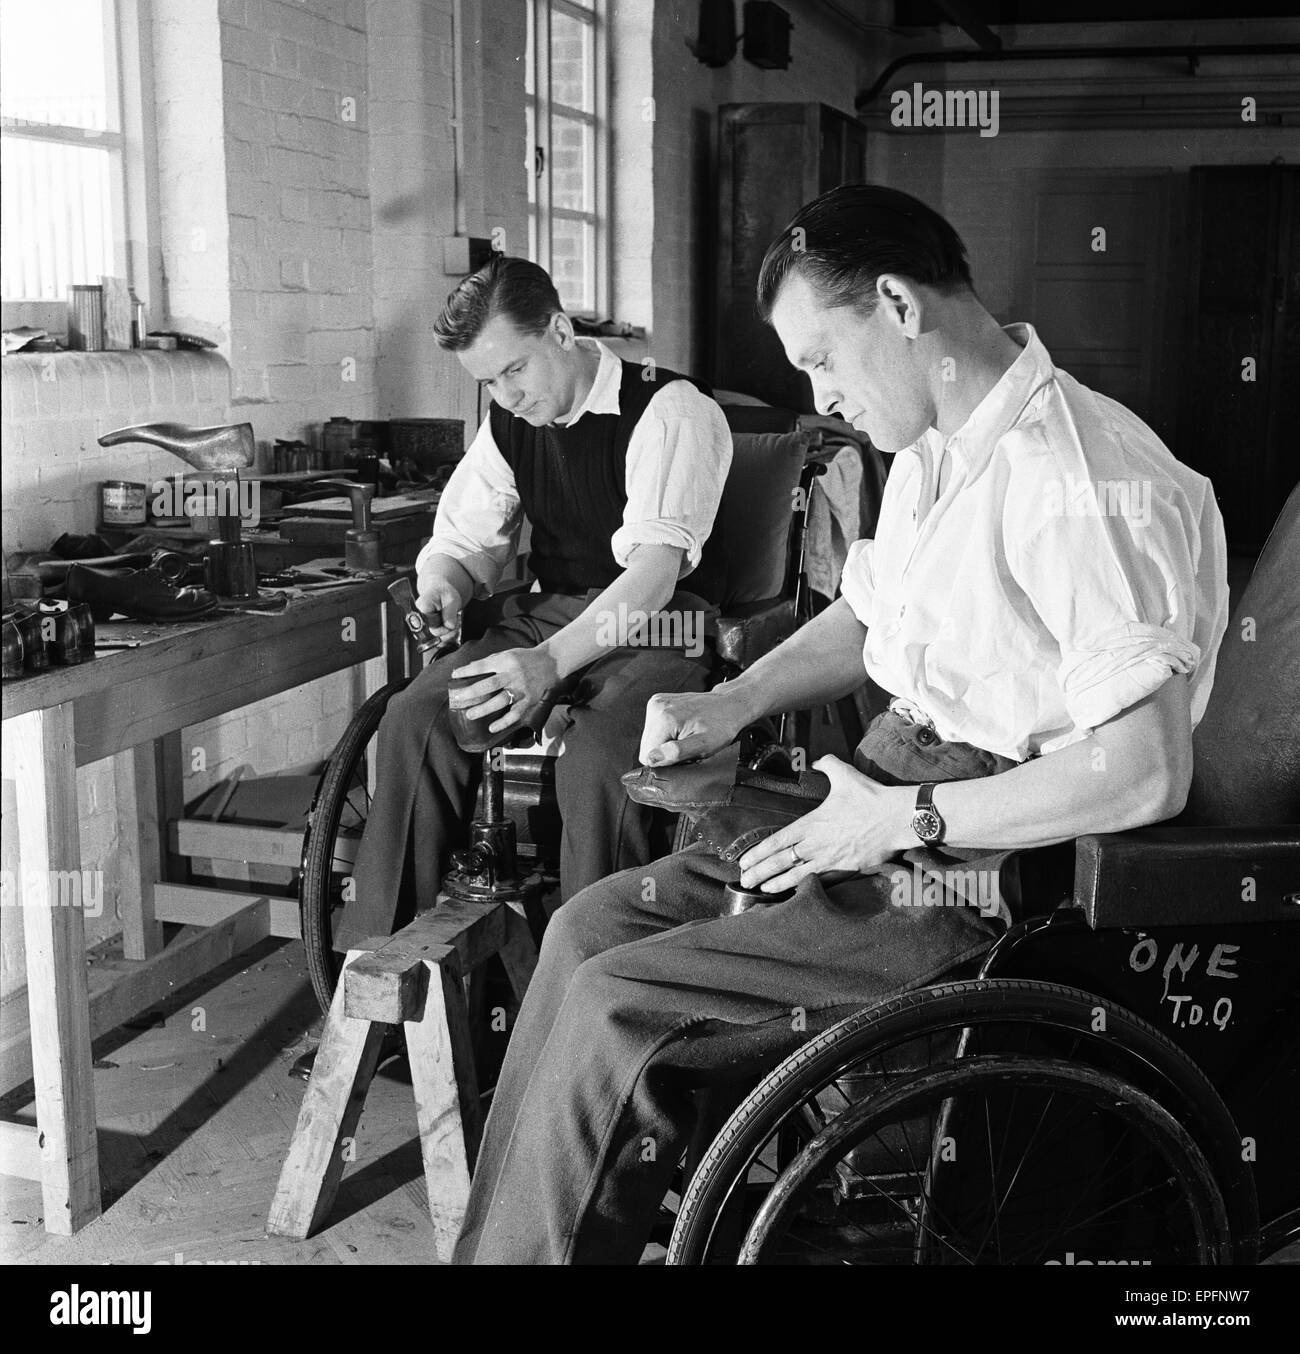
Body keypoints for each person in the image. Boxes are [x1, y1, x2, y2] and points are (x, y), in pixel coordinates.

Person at [451, 184, 1230, 1264]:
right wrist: (734, 699)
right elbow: (869, 616)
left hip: (980, 857)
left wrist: (899, 819)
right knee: (588, 928)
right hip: (893, 786)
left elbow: (1145, 773)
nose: (819, 395)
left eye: (822, 360)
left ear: (900, 307)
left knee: (618, 999)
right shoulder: (934, 447)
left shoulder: (1081, 480)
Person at [330, 255, 732, 957]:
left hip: (661, 624)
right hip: (556, 612)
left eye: (514, 369)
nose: (506, 395)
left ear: (560, 329)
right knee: (413, 720)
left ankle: (585, 980)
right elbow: (463, 534)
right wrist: (446, 582)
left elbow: (652, 578)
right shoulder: (510, 423)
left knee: (602, 757)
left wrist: (548, 664)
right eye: (488, 381)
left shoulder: (669, 408)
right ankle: (384, 972)